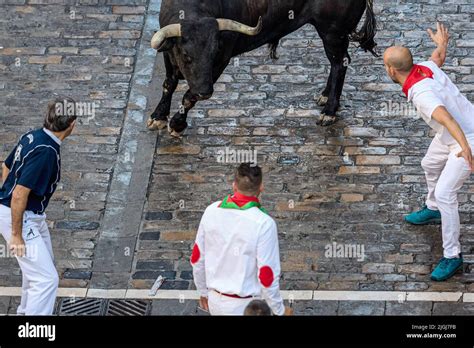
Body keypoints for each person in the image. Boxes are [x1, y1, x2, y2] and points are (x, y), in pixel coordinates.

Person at [383, 23, 474, 281]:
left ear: (392, 70)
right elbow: (438, 58)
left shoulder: (422, 95)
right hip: (454, 133)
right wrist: (441, 43)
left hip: (464, 138)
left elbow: (447, 120)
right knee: (429, 164)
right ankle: (433, 209)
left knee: (447, 193)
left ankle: (452, 255)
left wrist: (466, 150)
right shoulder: (425, 67)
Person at [0, 97, 77, 315]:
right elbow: (19, 195)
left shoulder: (33, 135)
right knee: (46, 279)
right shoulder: (47, 152)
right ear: (72, 124)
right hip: (21, 217)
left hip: (27, 216)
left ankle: (25, 313)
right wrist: (16, 234)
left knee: (37, 272)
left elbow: (6, 167)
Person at [191, 163, 292, 315]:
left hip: (215, 302)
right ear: (261, 188)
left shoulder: (211, 211)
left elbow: (197, 258)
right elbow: (266, 275)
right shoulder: (264, 223)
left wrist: (203, 291)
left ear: (234, 185)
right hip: (246, 307)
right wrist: (279, 310)